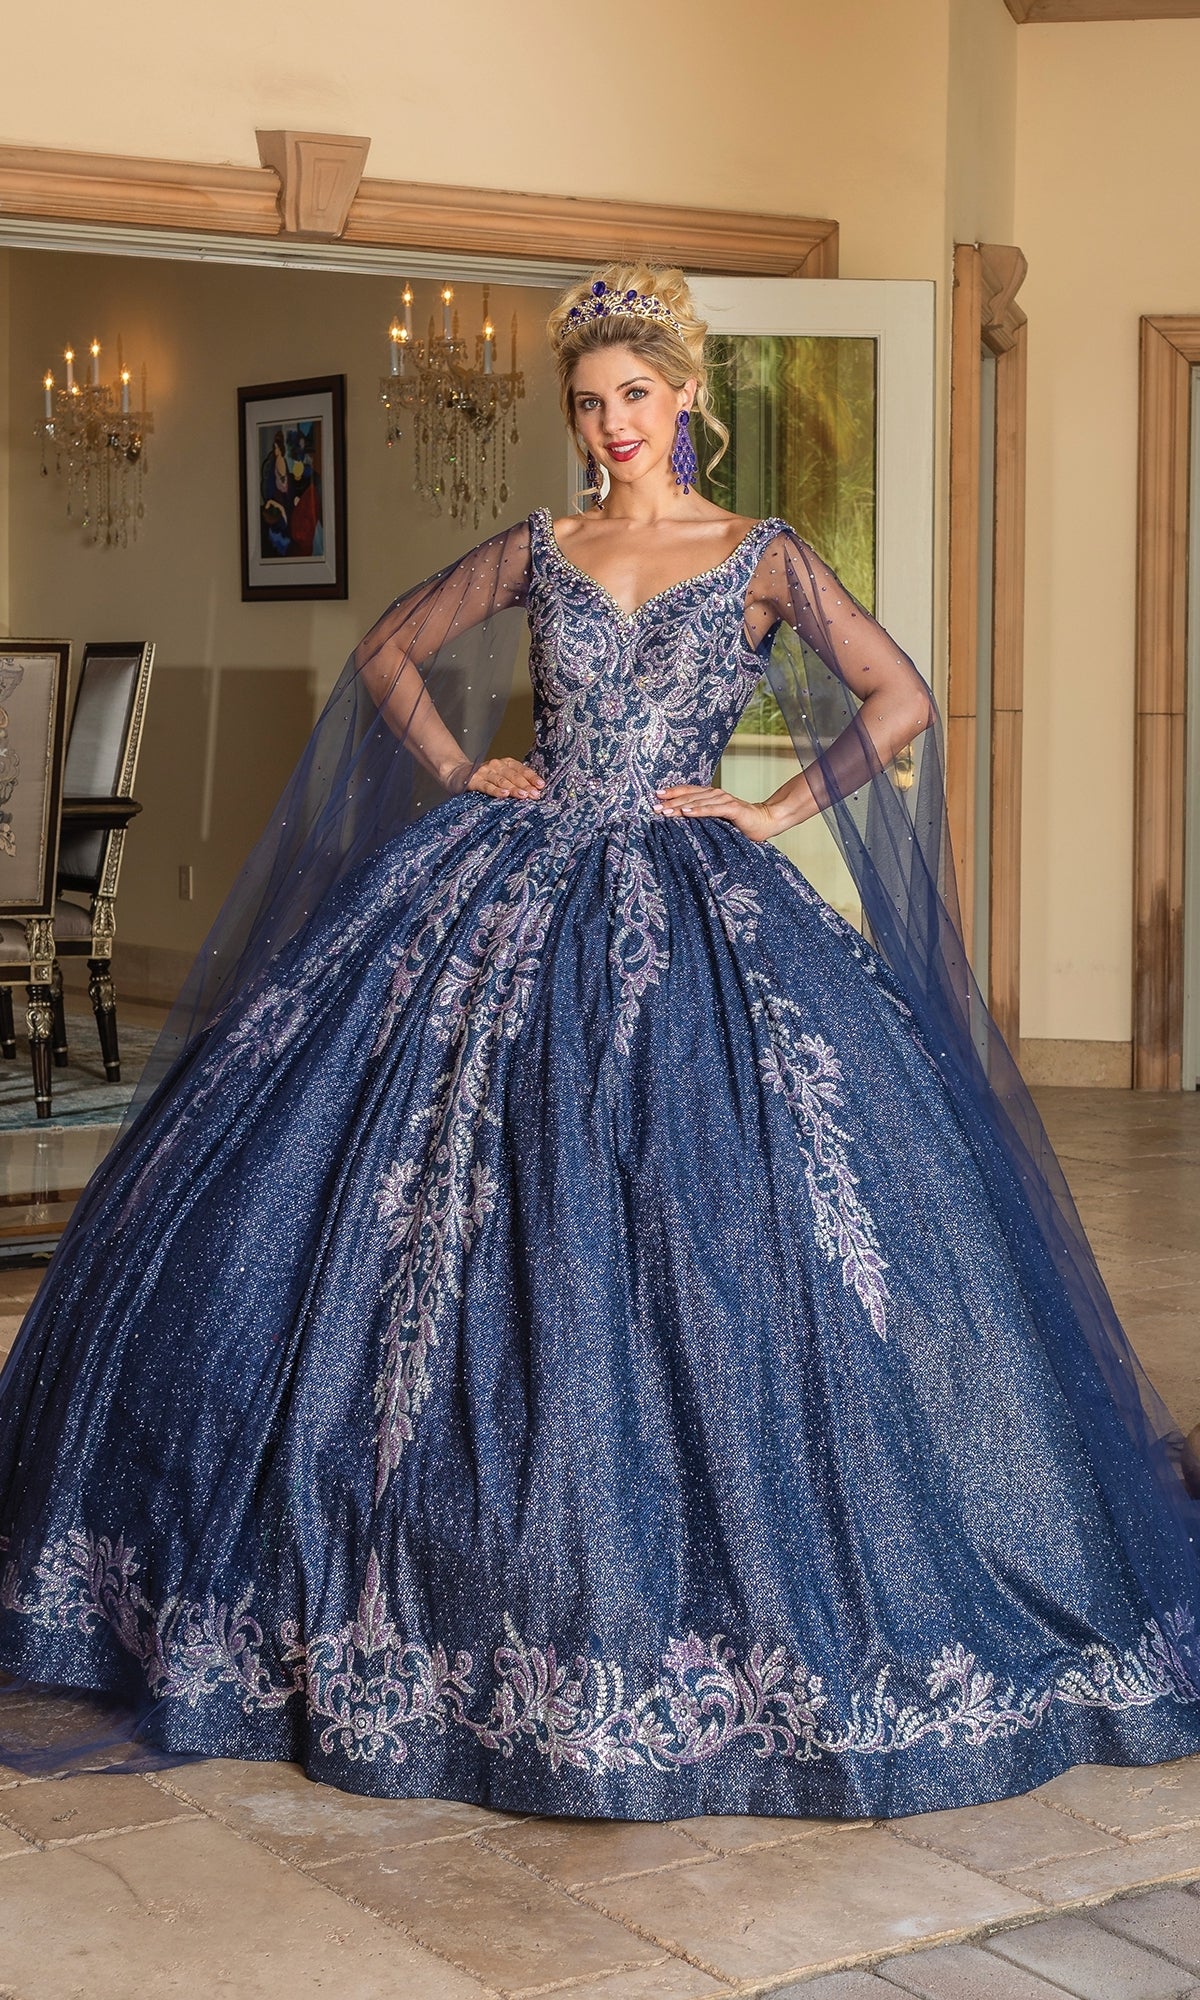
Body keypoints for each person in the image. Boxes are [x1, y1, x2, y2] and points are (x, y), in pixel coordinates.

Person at [0, 267, 1196, 1824]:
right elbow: (387, 651)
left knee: (724, 1213)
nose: (611, 424)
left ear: (687, 395)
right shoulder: (538, 546)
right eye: (587, 402)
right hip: (512, 873)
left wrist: (770, 809)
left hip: (694, 894)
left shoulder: (762, 555)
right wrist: (465, 766)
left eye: (634, 394)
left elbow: (901, 698)